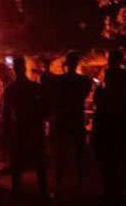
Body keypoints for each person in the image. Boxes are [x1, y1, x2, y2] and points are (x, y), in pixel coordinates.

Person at [92, 49, 126, 200]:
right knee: (117, 159)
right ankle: (117, 189)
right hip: (120, 123)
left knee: (111, 160)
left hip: (114, 123)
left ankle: (113, 190)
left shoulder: (119, 78)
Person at [3, 56, 47, 199]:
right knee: (39, 162)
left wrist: (5, 133)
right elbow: (43, 109)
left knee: (18, 164)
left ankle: (16, 193)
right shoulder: (34, 87)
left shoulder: (10, 89)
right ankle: (43, 192)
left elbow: (6, 114)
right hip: (34, 129)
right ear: (24, 68)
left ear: (14, 70)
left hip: (19, 130)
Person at [52, 51, 92, 198]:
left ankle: (59, 185)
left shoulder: (59, 80)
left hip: (63, 118)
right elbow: (85, 93)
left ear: (67, 63)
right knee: (80, 152)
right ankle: (80, 183)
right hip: (76, 117)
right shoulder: (84, 81)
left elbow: (55, 98)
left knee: (61, 152)